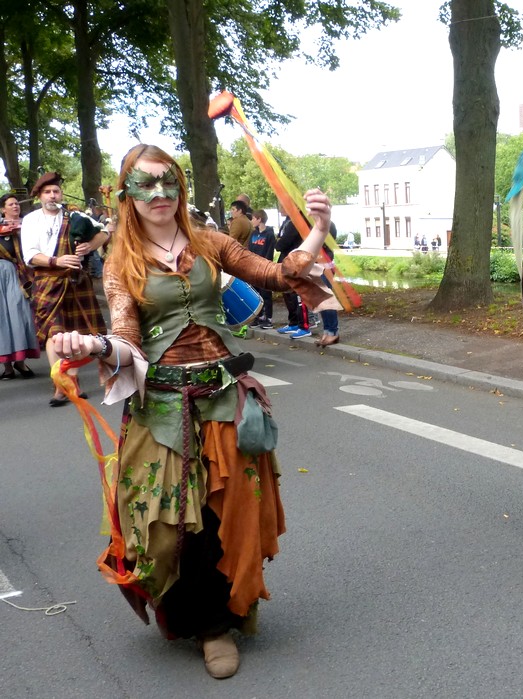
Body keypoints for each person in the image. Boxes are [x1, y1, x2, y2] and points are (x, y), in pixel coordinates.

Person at [48, 144, 340, 679]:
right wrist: (93, 347)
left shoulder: (207, 241)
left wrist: (317, 230)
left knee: (227, 515)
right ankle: (200, 621)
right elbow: (127, 339)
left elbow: (273, 275)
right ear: (126, 195)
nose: (159, 194)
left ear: (180, 187)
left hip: (226, 400)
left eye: (168, 182)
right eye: (145, 184)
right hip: (161, 408)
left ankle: (221, 620)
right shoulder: (122, 261)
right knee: (176, 526)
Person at [20, 172, 108, 405]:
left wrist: (91, 245)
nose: (52, 196)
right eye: (47, 192)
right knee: (54, 333)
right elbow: (29, 255)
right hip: (48, 280)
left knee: (76, 333)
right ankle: (61, 383)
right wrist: (56, 261)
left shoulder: (74, 214)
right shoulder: (31, 220)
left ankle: (73, 382)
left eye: (56, 191)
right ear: (39, 196)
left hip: (76, 280)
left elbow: (105, 233)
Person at [0, 193, 40, 379]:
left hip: (22, 274)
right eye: (11, 204)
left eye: (17, 203)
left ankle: (20, 362)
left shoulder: (29, 225)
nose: (15, 206)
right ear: (3, 209)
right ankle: (7, 366)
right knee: (2, 318)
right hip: (3, 273)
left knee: (20, 314)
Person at [274, 204, 309, 338]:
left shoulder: (296, 222)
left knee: (296, 293)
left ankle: (303, 325)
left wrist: (279, 244)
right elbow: (280, 239)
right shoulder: (287, 221)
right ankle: (293, 321)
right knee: (287, 293)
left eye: (282, 206)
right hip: (287, 258)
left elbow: (284, 242)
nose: (280, 209)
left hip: (294, 259)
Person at [248, 209, 276, 329]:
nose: (252, 221)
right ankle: (258, 316)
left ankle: (268, 317)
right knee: (255, 293)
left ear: (259, 219)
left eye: (253, 218)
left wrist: (265, 265)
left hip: (264, 267)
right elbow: (250, 249)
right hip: (254, 267)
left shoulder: (269, 234)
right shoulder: (253, 234)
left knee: (265, 293)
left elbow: (269, 251)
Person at [317, 222, 341, 346]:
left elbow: (324, 243)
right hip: (316, 266)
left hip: (325, 266)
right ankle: (327, 330)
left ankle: (333, 332)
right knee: (321, 301)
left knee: (327, 300)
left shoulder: (327, 224)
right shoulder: (313, 224)